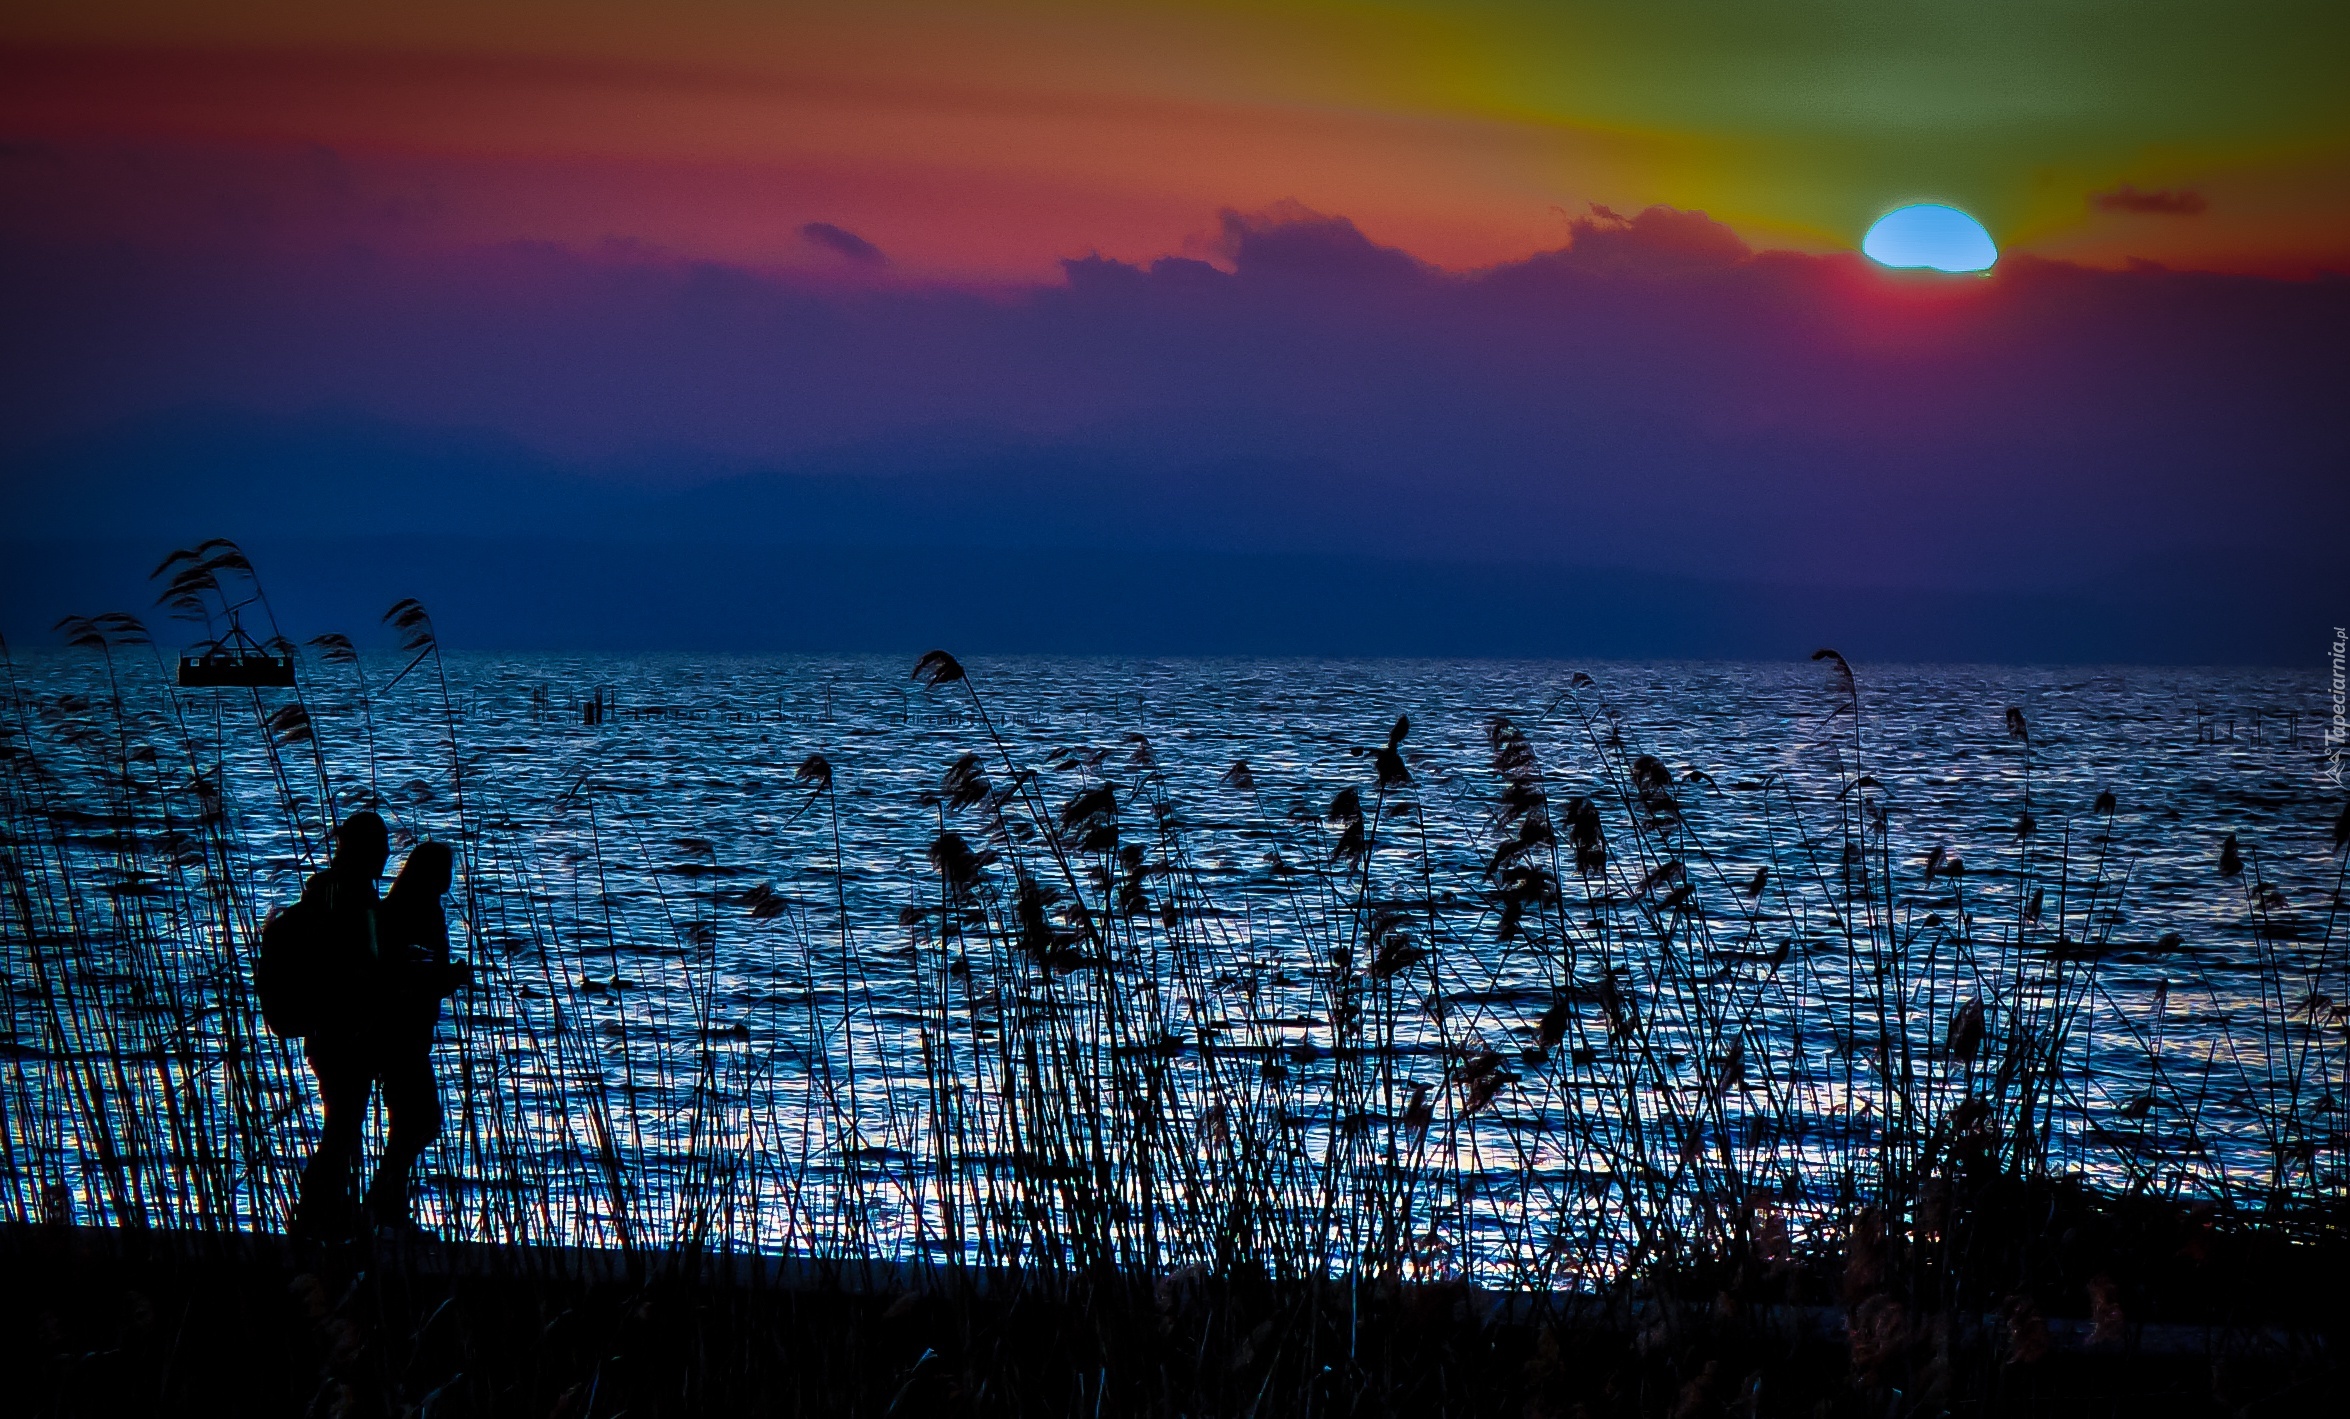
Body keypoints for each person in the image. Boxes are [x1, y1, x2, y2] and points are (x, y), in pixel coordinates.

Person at [289, 810, 390, 1240]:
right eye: (381, 846)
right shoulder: (355, 896)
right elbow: (367, 963)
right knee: (343, 1129)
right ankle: (317, 1213)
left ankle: (329, 1210)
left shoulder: (324, 891)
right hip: (343, 1033)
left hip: (326, 1031)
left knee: (342, 1126)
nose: (387, 855)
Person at [367, 840, 471, 1232]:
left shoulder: (408, 906)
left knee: (411, 1122)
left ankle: (386, 1203)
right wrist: (450, 978)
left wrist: (444, 979)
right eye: (445, 870)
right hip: (401, 1034)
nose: (450, 878)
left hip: (407, 1033)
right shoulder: (416, 911)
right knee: (420, 1120)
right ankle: (382, 1201)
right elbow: (410, 976)